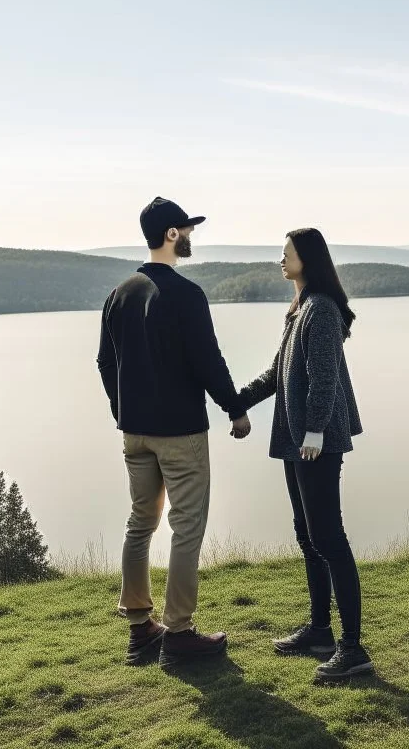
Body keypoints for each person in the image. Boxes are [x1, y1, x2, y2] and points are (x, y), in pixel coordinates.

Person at [97, 197, 252, 668]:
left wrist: (123, 410)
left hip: (135, 434)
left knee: (140, 522)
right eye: (186, 230)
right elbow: (208, 360)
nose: (189, 236)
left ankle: (140, 629)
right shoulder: (186, 294)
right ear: (170, 234)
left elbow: (105, 363)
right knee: (186, 527)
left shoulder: (119, 294)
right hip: (181, 433)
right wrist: (235, 410)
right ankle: (180, 633)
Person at [238, 228, 372, 681]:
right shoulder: (299, 308)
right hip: (298, 440)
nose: (281, 260)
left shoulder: (323, 310)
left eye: (287, 254)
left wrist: (315, 429)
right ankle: (319, 631)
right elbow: (278, 372)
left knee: (329, 538)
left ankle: (352, 649)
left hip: (318, 441)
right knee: (308, 536)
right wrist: (237, 400)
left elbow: (324, 376)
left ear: (307, 259)